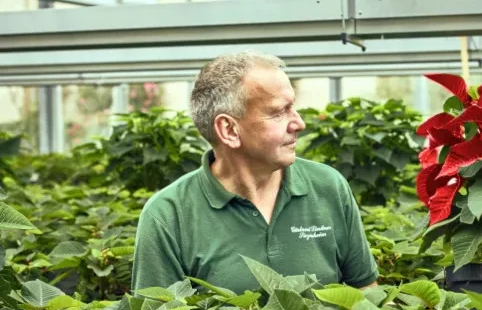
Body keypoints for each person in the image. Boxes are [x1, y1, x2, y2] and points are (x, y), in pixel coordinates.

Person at [132, 51, 378, 293]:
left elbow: (368, 293)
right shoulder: (168, 215)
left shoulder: (328, 186)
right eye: (278, 112)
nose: (299, 123)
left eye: (293, 107)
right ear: (229, 129)